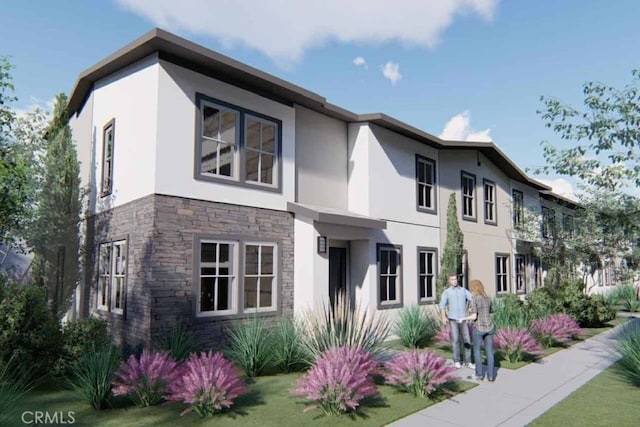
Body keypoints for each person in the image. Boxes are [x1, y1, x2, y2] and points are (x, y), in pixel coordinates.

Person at [458, 279, 495, 381]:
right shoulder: (488, 298)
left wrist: (463, 319)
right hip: (490, 327)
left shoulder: (475, 299)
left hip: (479, 328)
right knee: (489, 352)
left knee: (477, 351)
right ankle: (491, 376)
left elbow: (474, 316)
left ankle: (479, 374)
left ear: (473, 288)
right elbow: (490, 311)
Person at [439, 273, 474, 369]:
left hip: (463, 319)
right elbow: (442, 305)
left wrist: (470, 310)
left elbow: (472, 299)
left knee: (467, 340)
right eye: (452, 279)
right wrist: (443, 317)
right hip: (453, 319)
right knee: (455, 340)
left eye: (455, 279)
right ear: (449, 281)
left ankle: (468, 361)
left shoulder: (463, 290)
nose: (454, 281)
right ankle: (457, 360)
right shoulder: (447, 292)